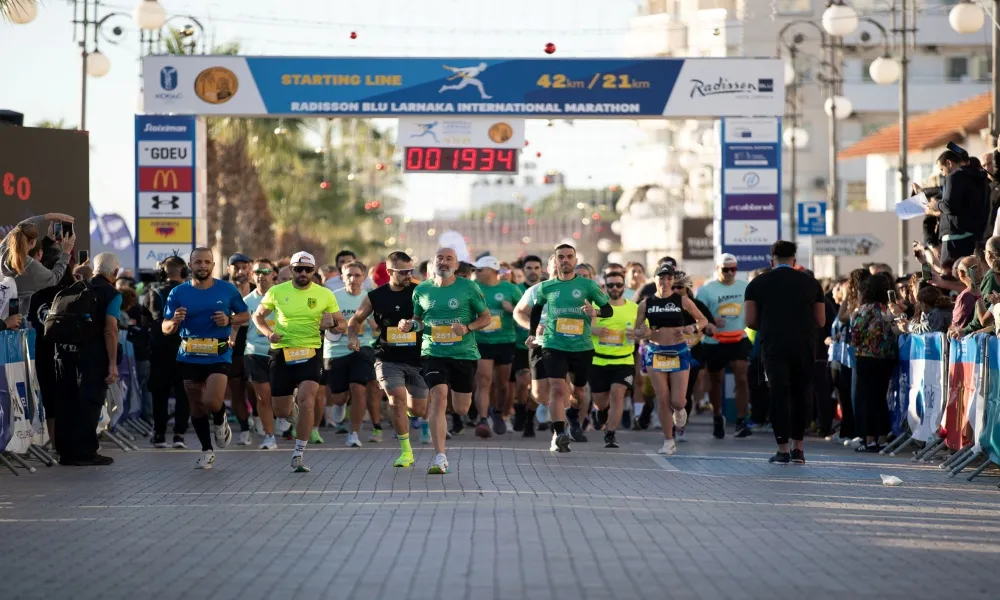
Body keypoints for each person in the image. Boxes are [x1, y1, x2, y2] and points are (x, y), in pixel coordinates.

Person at [400, 247, 491, 474]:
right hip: (433, 352)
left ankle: (456, 415)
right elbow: (419, 321)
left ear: (456, 265)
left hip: (463, 353)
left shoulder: (469, 287)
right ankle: (440, 457)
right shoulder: (421, 290)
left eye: (449, 258)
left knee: (461, 408)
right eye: (439, 258)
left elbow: (486, 317)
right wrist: (410, 325)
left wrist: (467, 327)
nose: (443, 262)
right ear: (433, 263)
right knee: (438, 396)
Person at [253, 251, 346, 473]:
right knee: (281, 411)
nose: (303, 273)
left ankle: (299, 453)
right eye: (298, 269)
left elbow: (342, 324)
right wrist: (268, 333)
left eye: (307, 269)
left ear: (314, 271)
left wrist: (332, 322)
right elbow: (258, 316)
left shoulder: (324, 294)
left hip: (310, 352)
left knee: (307, 400)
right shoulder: (277, 291)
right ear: (291, 271)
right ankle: (293, 413)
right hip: (282, 353)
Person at [162, 248, 249, 469]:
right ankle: (207, 450)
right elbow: (165, 327)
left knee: (211, 401)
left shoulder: (227, 289)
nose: (203, 266)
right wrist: (174, 320)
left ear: (212, 265)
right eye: (198, 262)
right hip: (189, 354)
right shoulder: (178, 292)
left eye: (207, 262)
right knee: (197, 407)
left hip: (218, 353)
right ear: (189, 266)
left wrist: (228, 319)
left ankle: (220, 421)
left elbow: (245, 315)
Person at [744, 241, 826, 465]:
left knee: (778, 394)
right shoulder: (811, 283)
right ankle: (798, 448)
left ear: (772, 260)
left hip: (773, 346)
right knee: (801, 393)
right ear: (795, 261)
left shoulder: (757, 283)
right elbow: (820, 320)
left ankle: (782, 449)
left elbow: (750, 321)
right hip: (804, 345)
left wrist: (771, 323)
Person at [348, 251, 430, 468]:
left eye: (410, 271)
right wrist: (352, 336)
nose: (408, 275)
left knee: (419, 410)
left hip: (418, 358)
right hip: (388, 358)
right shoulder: (376, 296)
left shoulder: (419, 291)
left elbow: (431, 318)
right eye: (403, 272)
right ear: (390, 271)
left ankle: (414, 416)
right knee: (396, 400)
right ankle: (406, 452)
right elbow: (356, 319)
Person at [527, 244, 613, 453]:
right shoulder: (546, 287)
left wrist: (595, 312)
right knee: (557, 387)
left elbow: (608, 310)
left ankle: (573, 413)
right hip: (553, 344)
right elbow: (537, 310)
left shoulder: (588, 285)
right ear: (555, 261)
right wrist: (532, 333)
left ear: (575, 260)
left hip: (581, 347)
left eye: (569, 257)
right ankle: (559, 433)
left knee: (579, 393)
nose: (565, 260)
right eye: (561, 257)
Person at [51, 252, 121, 466]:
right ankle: (86, 452)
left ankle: (65, 452)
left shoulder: (76, 288)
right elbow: (110, 329)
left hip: (65, 354)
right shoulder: (111, 294)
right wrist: (112, 364)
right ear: (115, 273)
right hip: (93, 356)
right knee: (91, 402)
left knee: (67, 400)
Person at [634, 264, 712, 455]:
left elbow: (703, 321)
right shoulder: (646, 303)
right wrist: (643, 332)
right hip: (656, 352)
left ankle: (680, 410)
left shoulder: (682, 301)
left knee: (677, 401)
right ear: (655, 280)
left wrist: (691, 328)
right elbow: (638, 330)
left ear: (673, 280)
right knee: (663, 398)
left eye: (669, 278)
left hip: (678, 351)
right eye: (662, 278)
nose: (665, 281)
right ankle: (668, 441)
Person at [696, 254, 751, 439]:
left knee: (742, 375)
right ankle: (717, 416)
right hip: (715, 341)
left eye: (733, 269)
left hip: (738, 337)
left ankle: (742, 419)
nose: (729, 273)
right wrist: (710, 321)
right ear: (717, 268)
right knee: (715, 381)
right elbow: (697, 316)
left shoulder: (744, 286)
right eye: (725, 270)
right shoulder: (706, 290)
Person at [325, 261, 379, 447]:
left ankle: (353, 433)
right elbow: (323, 325)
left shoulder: (370, 298)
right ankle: (340, 403)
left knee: (358, 389)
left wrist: (375, 327)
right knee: (339, 396)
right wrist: (337, 325)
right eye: (349, 275)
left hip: (363, 348)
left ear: (364, 278)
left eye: (357, 275)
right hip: (336, 350)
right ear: (342, 277)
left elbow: (379, 330)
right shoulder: (332, 298)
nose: (353, 279)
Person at [588, 270, 642, 448]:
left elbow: (646, 331)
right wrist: (592, 330)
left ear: (624, 287)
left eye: (618, 285)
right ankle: (600, 412)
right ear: (604, 288)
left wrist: (637, 333)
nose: (615, 288)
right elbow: (580, 329)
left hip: (624, 361)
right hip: (598, 361)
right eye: (610, 285)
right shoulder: (596, 308)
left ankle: (610, 434)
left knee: (617, 394)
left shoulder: (634, 308)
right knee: (600, 402)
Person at [472, 255, 523, 437]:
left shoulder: (510, 288)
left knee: (502, 385)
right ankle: (483, 419)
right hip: (481, 341)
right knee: (484, 381)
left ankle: (499, 412)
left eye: (479, 270)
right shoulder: (473, 288)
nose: (475, 273)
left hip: (505, 341)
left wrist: (513, 310)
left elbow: (525, 310)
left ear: (492, 271)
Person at [145, 255, 192, 449]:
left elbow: (150, 320)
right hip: (187, 350)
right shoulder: (191, 293)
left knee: (160, 394)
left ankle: (159, 434)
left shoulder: (154, 292)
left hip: (160, 352)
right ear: (184, 272)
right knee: (184, 394)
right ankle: (179, 435)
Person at [849, 273, 898, 453]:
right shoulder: (890, 309)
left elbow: (855, 335)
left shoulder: (865, 310)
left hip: (867, 357)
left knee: (866, 399)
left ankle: (869, 440)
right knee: (881, 398)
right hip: (887, 358)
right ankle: (883, 438)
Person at [514, 254, 559, 437]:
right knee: (540, 392)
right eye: (555, 263)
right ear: (549, 268)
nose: (560, 266)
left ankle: (560, 430)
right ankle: (529, 415)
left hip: (569, 345)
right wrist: (533, 328)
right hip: (536, 345)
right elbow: (519, 313)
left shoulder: (579, 289)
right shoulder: (536, 290)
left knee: (561, 387)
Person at [925, 149, 989, 266]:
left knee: (952, 276)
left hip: (954, 240)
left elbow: (949, 206)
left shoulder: (954, 176)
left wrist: (935, 204)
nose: (943, 174)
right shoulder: (980, 177)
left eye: (942, 169)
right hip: (974, 237)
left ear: (949, 163)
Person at [0, 215, 76, 310]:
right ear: (32, 242)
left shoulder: (3, 252)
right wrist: (66, 252)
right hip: (16, 317)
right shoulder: (31, 266)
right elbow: (55, 278)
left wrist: (47, 217)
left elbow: (20, 226)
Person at [243, 258, 279, 449]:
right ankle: (269, 436)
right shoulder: (247, 301)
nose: (261, 276)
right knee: (263, 395)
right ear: (252, 275)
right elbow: (237, 326)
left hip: (281, 352)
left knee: (281, 396)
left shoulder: (282, 296)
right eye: (257, 272)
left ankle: (286, 413)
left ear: (274, 274)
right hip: (254, 352)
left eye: (265, 272)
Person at [225, 253, 256, 445]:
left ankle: (259, 417)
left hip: (254, 341)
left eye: (244, 267)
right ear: (229, 269)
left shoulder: (257, 291)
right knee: (236, 388)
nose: (241, 271)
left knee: (255, 385)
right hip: (231, 342)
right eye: (236, 267)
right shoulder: (222, 290)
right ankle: (244, 428)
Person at [511, 254, 543, 436]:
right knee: (523, 383)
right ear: (524, 271)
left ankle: (530, 419)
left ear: (541, 270)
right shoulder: (517, 290)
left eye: (536, 268)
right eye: (529, 268)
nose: (533, 271)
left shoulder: (546, 289)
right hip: (521, 345)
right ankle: (521, 411)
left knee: (538, 387)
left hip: (542, 345)